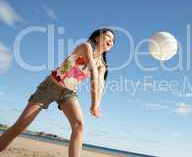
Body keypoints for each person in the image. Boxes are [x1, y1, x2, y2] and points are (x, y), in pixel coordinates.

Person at [0, 28, 115, 157]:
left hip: (68, 93)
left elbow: (99, 85)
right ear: (97, 37)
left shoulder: (102, 65)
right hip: (50, 86)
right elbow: (92, 71)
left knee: (79, 125)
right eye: (108, 36)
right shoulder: (85, 46)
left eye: (113, 40)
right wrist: (93, 103)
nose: (111, 40)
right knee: (20, 126)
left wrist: (97, 104)